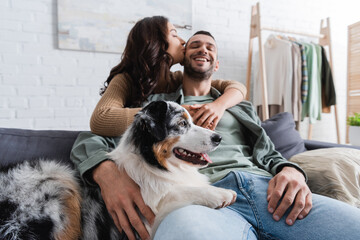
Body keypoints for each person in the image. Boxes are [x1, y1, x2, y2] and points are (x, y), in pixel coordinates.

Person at [72, 30, 360, 240]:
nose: (203, 49)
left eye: (210, 46)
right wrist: (105, 172)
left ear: (217, 63)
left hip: (265, 190)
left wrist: (291, 170)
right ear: (182, 58)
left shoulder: (239, 105)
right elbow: (93, 135)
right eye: (194, 44)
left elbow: (269, 152)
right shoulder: (159, 107)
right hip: (196, 197)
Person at [73, 16, 247, 240]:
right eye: (174, 34)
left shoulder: (176, 80)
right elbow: (101, 119)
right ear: (156, 44)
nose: (183, 40)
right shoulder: (126, 80)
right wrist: (154, 118)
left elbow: (236, 86)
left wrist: (218, 105)